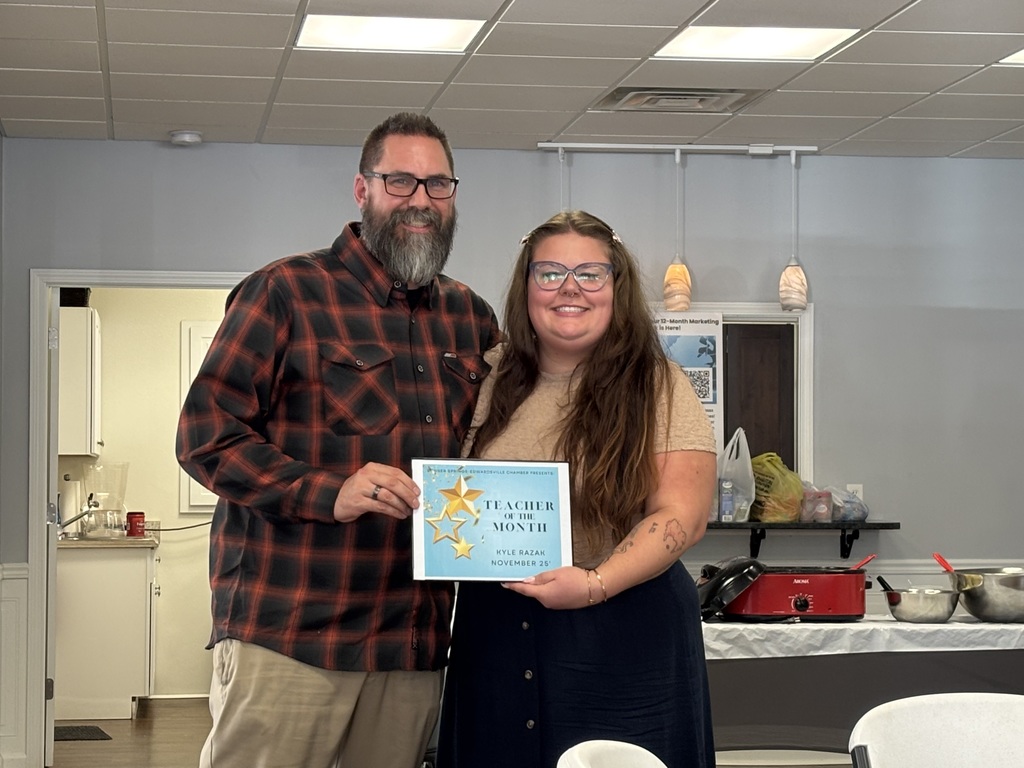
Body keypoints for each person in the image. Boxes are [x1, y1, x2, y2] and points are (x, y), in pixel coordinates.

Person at [176, 112, 500, 768]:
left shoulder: (471, 316)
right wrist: (329, 492)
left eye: (439, 185)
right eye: (400, 181)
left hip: (411, 643)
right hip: (291, 634)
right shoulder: (285, 292)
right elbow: (204, 435)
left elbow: (491, 454)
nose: (421, 201)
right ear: (363, 190)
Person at [436, 210, 718, 768]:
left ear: (617, 287)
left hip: (623, 627)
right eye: (550, 273)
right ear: (526, 287)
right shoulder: (487, 378)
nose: (570, 289)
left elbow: (681, 516)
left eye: (591, 273)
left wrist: (593, 585)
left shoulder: (659, 385)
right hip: (497, 629)